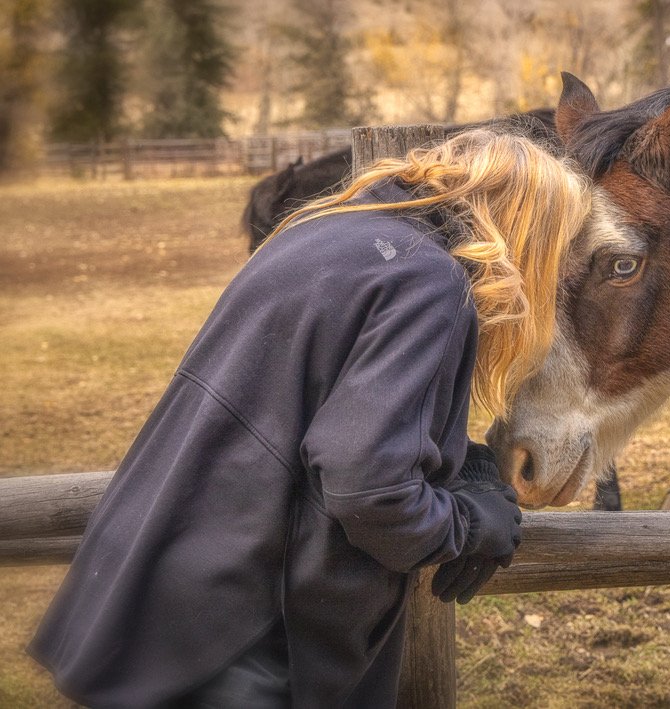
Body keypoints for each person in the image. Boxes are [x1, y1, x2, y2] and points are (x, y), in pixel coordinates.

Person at [28, 129, 593, 708]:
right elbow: (369, 487)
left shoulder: (325, 234)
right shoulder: (430, 282)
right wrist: (469, 525)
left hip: (168, 581)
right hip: (250, 636)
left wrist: (465, 462)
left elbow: (310, 403)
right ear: (528, 228)